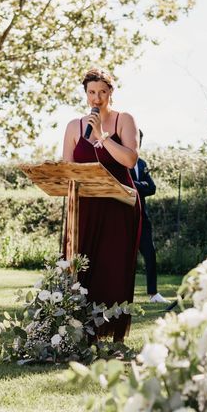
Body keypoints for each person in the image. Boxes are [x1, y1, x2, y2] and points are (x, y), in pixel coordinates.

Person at [62, 68, 141, 342]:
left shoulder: (124, 120)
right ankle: (76, 330)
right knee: (81, 265)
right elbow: (68, 168)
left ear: (111, 93)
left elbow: (130, 160)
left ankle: (112, 332)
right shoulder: (74, 126)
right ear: (86, 94)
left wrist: (103, 137)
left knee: (112, 266)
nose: (96, 98)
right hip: (85, 205)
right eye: (91, 93)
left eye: (102, 92)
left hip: (118, 205)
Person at [130, 130, 169, 304]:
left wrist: (135, 185)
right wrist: (141, 185)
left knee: (150, 253)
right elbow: (121, 185)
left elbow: (151, 188)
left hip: (142, 217)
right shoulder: (119, 161)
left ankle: (153, 294)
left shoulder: (142, 163)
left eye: (139, 140)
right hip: (124, 217)